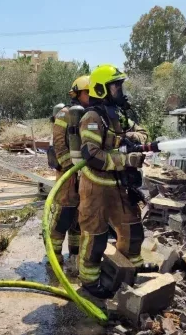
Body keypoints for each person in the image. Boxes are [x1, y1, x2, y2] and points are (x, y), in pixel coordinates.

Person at [77, 64, 149, 298]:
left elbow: (143, 132)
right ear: (101, 89)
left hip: (120, 186)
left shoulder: (120, 113)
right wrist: (125, 159)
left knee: (133, 229)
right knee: (95, 237)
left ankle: (131, 270)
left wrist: (132, 138)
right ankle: (89, 281)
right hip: (96, 187)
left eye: (120, 84)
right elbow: (92, 155)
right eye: (115, 85)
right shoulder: (92, 117)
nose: (120, 88)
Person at [48, 75, 90, 276]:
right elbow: (58, 142)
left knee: (78, 217)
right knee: (64, 213)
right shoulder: (65, 114)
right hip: (68, 174)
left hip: (84, 173)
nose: (91, 96)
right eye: (87, 92)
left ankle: (74, 253)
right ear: (77, 93)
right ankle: (54, 256)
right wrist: (69, 168)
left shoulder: (89, 114)